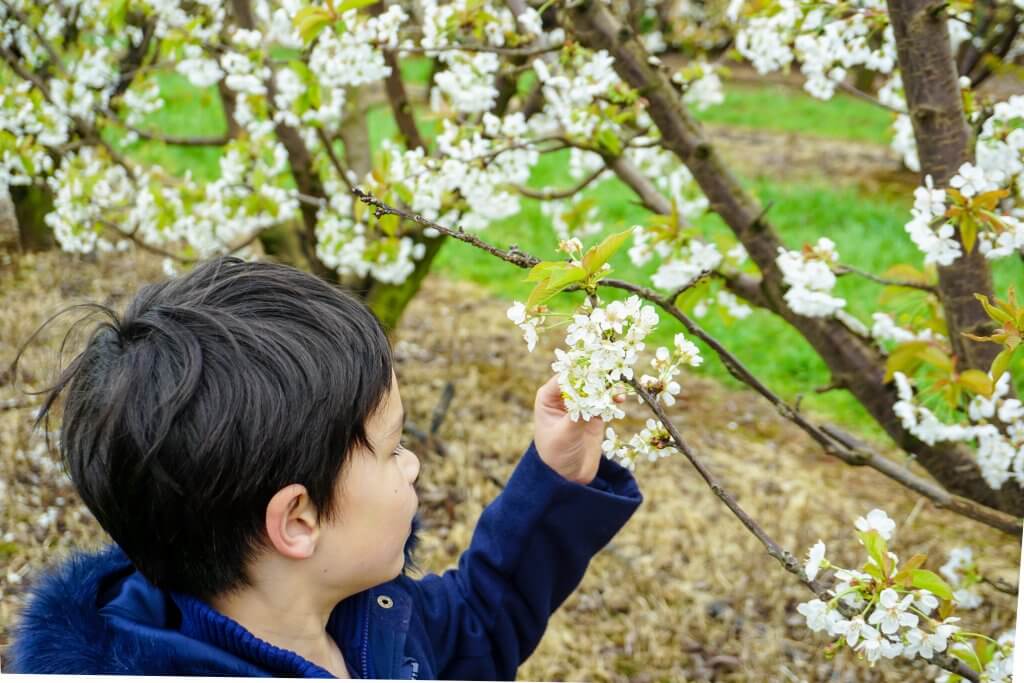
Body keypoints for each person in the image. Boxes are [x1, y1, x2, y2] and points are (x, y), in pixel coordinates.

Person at [6, 256, 642, 679]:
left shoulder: (367, 616)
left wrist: (558, 478)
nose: (413, 465)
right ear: (300, 519)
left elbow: (479, 625)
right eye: (392, 448)